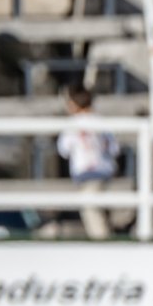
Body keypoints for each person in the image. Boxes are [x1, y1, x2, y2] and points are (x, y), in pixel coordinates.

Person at [56, 83, 119, 241]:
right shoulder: (101, 121)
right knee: (100, 208)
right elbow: (114, 148)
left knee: (90, 210)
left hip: (85, 171)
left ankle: (102, 244)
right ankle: (107, 238)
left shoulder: (72, 124)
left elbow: (64, 149)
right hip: (104, 170)